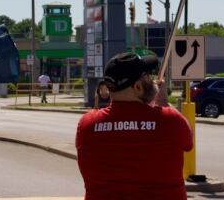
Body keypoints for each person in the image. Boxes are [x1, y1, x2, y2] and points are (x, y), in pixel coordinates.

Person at [75, 53, 193, 199]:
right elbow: (188, 141)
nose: (152, 80)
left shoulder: (87, 125)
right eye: (148, 76)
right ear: (137, 87)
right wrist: (163, 102)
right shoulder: (170, 120)